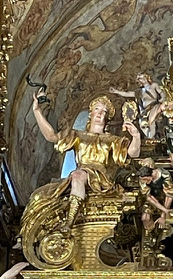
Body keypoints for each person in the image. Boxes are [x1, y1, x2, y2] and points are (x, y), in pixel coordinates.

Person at [26, 94, 141, 234]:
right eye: (97, 109)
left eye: (104, 111)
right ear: (90, 113)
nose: (100, 113)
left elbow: (132, 153)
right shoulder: (77, 135)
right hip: (81, 172)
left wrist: (136, 136)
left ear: (107, 118)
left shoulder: (113, 140)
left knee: (78, 175)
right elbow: (52, 136)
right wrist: (37, 111)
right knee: (39, 197)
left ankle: (69, 223)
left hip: (100, 177)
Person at [110, 73, 166, 139]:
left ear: (147, 78)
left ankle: (152, 137)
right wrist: (116, 91)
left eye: (143, 78)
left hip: (154, 107)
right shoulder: (139, 92)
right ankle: (150, 137)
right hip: (145, 111)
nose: (142, 80)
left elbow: (161, 93)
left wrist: (162, 99)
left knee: (151, 121)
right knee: (142, 123)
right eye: (140, 79)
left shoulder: (154, 85)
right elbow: (127, 94)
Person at [137, 159, 173, 230]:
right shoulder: (142, 176)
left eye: (146, 179)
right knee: (145, 218)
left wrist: (163, 214)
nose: (145, 182)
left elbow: (169, 195)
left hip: (164, 198)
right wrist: (165, 210)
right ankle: (150, 230)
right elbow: (149, 197)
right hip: (151, 199)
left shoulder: (164, 175)